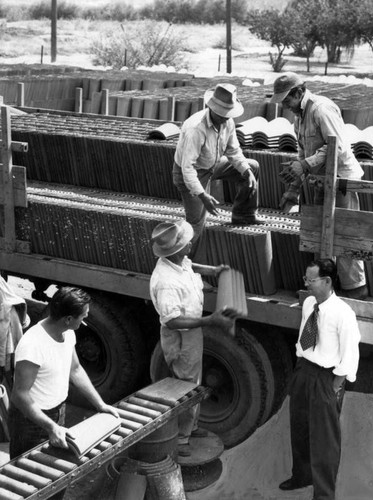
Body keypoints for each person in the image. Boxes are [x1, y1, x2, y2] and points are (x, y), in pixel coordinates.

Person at [9, 287, 119, 498]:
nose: (84, 322)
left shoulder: (66, 334)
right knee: (27, 483)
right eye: (83, 317)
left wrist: (100, 404)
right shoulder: (33, 345)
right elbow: (20, 395)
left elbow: (75, 369)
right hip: (31, 423)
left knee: (55, 480)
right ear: (68, 319)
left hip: (58, 412)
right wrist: (51, 426)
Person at [271, 72, 368, 300]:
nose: (286, 106)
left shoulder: (321, 109)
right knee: (318, 234)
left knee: (344, 234)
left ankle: (355, 289)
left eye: (287, 100)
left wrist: (305, 164)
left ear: (299, 92)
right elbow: (303, 154)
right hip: (321, 180)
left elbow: (339, 147)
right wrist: (294, 188)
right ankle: (325, 288)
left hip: (343, 178)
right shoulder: (299, 117)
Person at [149, 219, 238, 457]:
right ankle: (180, 439)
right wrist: (210, 321)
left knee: (193, 383)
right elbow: (172, 321)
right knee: (185, 387)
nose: (191, 245)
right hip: (180, 336)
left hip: (191, 333)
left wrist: (213, 270)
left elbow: (190, 265)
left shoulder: (178, 261)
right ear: (177, 249)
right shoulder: (166, 282)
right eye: (187, 243)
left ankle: (192, 427)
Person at [279, 259, 360, 500]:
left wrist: (335, 385)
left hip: (326, 377)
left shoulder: (343, 314)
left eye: (310, 280)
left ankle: (324, 494)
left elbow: (350, 353)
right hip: (304, 371)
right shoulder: (309, 304)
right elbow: (305, 335)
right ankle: (301, 476)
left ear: (326, 281)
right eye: (306, 279)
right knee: (300, 429)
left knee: (324, 440)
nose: (306, 284)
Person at [173, 83, 261, 250]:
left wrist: (245, 170)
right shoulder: (195, 129)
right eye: (222, 114)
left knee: (252, 166)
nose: (226, 118)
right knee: (197, 222)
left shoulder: (228, 122)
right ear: (211, 108)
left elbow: (233, 150)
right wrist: (202, 195)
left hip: (211, 165)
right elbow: (187, 169)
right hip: (191, 173)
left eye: (228, 114)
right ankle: (184, 264)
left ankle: (244, 214)